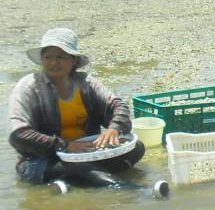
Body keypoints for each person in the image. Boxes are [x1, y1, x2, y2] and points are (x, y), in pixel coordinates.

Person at [8, 28, 146, 194]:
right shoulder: (28, 87)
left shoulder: (86, 83)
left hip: (87, 153)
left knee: (137, 148)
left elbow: (118, 106)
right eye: (48, 57)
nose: (53, 63)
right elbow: (19, 135)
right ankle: (130, 190)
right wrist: (64, 146)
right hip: (42, 160)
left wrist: (114, 128)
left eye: (60, 57)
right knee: (77, 166)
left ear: (73, 60)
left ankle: (71, 184)